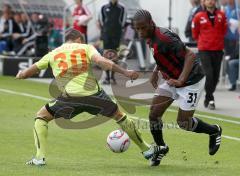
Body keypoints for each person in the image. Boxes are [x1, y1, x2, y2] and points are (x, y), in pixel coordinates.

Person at [16, 28, 155, 166]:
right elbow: (103, 62)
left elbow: (26, 74)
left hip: (69, 99)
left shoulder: (52, 54)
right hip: (95, 96)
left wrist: (21, 74)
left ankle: (39, 158)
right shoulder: (86, 47)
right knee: (120, 116)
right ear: (78, 39)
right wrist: (126, 72)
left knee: (41, 117)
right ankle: (146, 149)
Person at [133, 9, 222, 167]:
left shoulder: (165, 38)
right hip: (172, 79)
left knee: (183, 123)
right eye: (137, 28)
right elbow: (162, 56)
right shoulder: (150, 36)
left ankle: (214, 130)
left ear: (151, 24)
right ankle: (160, 147)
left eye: (143, 28)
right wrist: (156, 72)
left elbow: (190, 55)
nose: (140, 32)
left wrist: (181, 80)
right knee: (154, 113)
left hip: (191, 79)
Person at [192, 0, 227, 110]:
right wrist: (203, 42)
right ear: (203, 2)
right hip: (204, 50)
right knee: (209, 74)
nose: (210, 1)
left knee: (216, 77)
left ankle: (208, 96)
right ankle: (210, 98)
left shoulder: (221, 14)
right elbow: (194, 33)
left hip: (218, 49)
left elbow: (224, 31)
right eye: (208, 0)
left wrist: (217, 40)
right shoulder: (198, 16)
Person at [98, 0, 127, 85]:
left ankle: (112, 77)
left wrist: (117, 29)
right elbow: (101, 21)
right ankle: (107, 77)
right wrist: (106, 30)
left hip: (116, 34)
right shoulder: (104, 7)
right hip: (106, 33)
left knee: (114, 54)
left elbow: (123, 22)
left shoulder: (122, 8)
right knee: (106, 54)